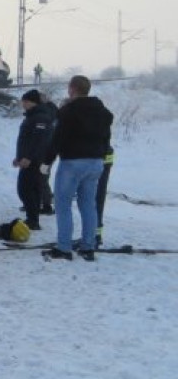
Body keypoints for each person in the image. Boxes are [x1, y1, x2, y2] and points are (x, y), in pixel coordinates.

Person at [41, 75, 113, 261]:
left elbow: (58, 138)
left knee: (63, 205)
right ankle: (88, 247)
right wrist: (101, 156)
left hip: (72, 163)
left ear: (72, 89)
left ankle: (64, 248)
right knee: (89, 205)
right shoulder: (103, 112)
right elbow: (106, 139)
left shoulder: (68, 111)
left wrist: (46, 161)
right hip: (96, 163)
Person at [12, 89, 53, 230]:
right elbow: (27, 140)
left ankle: (33, 219)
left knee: (26, 189)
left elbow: (39, 141)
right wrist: (19, 158)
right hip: (29, 160)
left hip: (36, 161)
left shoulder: (40, 118)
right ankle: (33, 218)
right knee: (31, 189)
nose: (23, 104)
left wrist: (28, 158)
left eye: (25, 101)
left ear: (31, 102)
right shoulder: (33, 116)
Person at [37, 92, 59, 215]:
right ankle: (41, 202)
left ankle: (46, 205)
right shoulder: (53, 110)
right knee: (42, 176)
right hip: (48, 150)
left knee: (42, 176)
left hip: (46, 150)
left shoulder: (46, 113)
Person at [95, 145, 114, 246]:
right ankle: (96, 235)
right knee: (99, 200)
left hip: (97, 157)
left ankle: (95, 236)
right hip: (105, 156)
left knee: (95, 200)